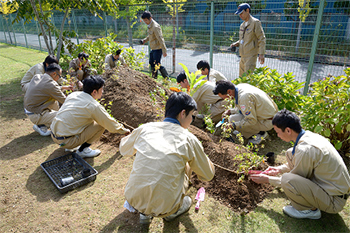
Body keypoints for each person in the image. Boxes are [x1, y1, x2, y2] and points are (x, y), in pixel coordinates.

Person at [120, 92, 215, 224]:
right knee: (187, 164)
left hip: (134, 199)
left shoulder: (145, 128)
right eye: (192, 116)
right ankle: (173, 211)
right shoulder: (188, 139)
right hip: (166, 207)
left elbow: (123, 149)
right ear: (183, 113)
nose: (192, 120)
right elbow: (208, 175)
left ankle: (144, 213)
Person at [250, 109, 350, 219]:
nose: (278, 135)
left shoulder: (305, 150)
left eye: (278, 132)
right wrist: (278, 169)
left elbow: (291, 181)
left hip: (333, 201)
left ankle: (309, 211)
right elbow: (303, 163)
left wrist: (268, 180)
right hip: (332, 190)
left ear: (288, 130)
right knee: (290, 153)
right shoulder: (309, 136)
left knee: (287, 179)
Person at [51, 75, 130, 158]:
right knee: (100, 124)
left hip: (54, 135)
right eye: (101, 89)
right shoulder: (93, 106)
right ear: (94, 92)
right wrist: (124, 131)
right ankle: (82, 150)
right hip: (66, 141)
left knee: (84, 119)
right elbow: (109, 123)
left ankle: (70, 144)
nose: (103, 91)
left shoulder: (74, 95)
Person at [213, 80, 278, 144]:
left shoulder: (244, 97)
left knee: (233, 121)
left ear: (229, 91)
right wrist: (230, 111)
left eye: (223, 97)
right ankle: (252, 132)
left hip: (267, 122)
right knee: (232, 118)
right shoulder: (240, 87)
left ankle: (260, 133)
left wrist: (234, 125)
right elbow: (242, 109)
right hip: (267, 116)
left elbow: (251, 120)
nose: (224, 99)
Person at [24, 63, 72, 136]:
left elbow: (48, 89)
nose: (59, 78)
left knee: (53, 100)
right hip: (36, 114)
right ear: (54, 74)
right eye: (59, 76)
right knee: (65, 116)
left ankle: (44, 124)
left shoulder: (38, 77)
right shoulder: (51, 84)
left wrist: (63, 87)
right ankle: (44, 124)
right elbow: (65, 101)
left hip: (30, 111)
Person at [230, 3, 266, 77]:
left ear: (247, 10)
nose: (240, 16)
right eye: (239, 14)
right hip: (242, 55)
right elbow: (242, 39)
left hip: (251, 55)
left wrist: (261, 53)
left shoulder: (255, 23)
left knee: (248, 78)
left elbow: (261, 38)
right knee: (241, 77)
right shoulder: (242, 25)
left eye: (242, 13)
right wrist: (236, 44)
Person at [140, 11, 169, 79]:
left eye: (146, 20)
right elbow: (151, 36)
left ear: (150, 18)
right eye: (144, 20)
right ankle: (154, 78)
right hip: (153, 48)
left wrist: (164, 50)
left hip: (158, 49)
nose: (145, 22)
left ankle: (166, 78)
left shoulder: (155, 26)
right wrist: (144, 40)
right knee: (151, 63)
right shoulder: (150, 26)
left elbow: (160, 38)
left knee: (157, 64)